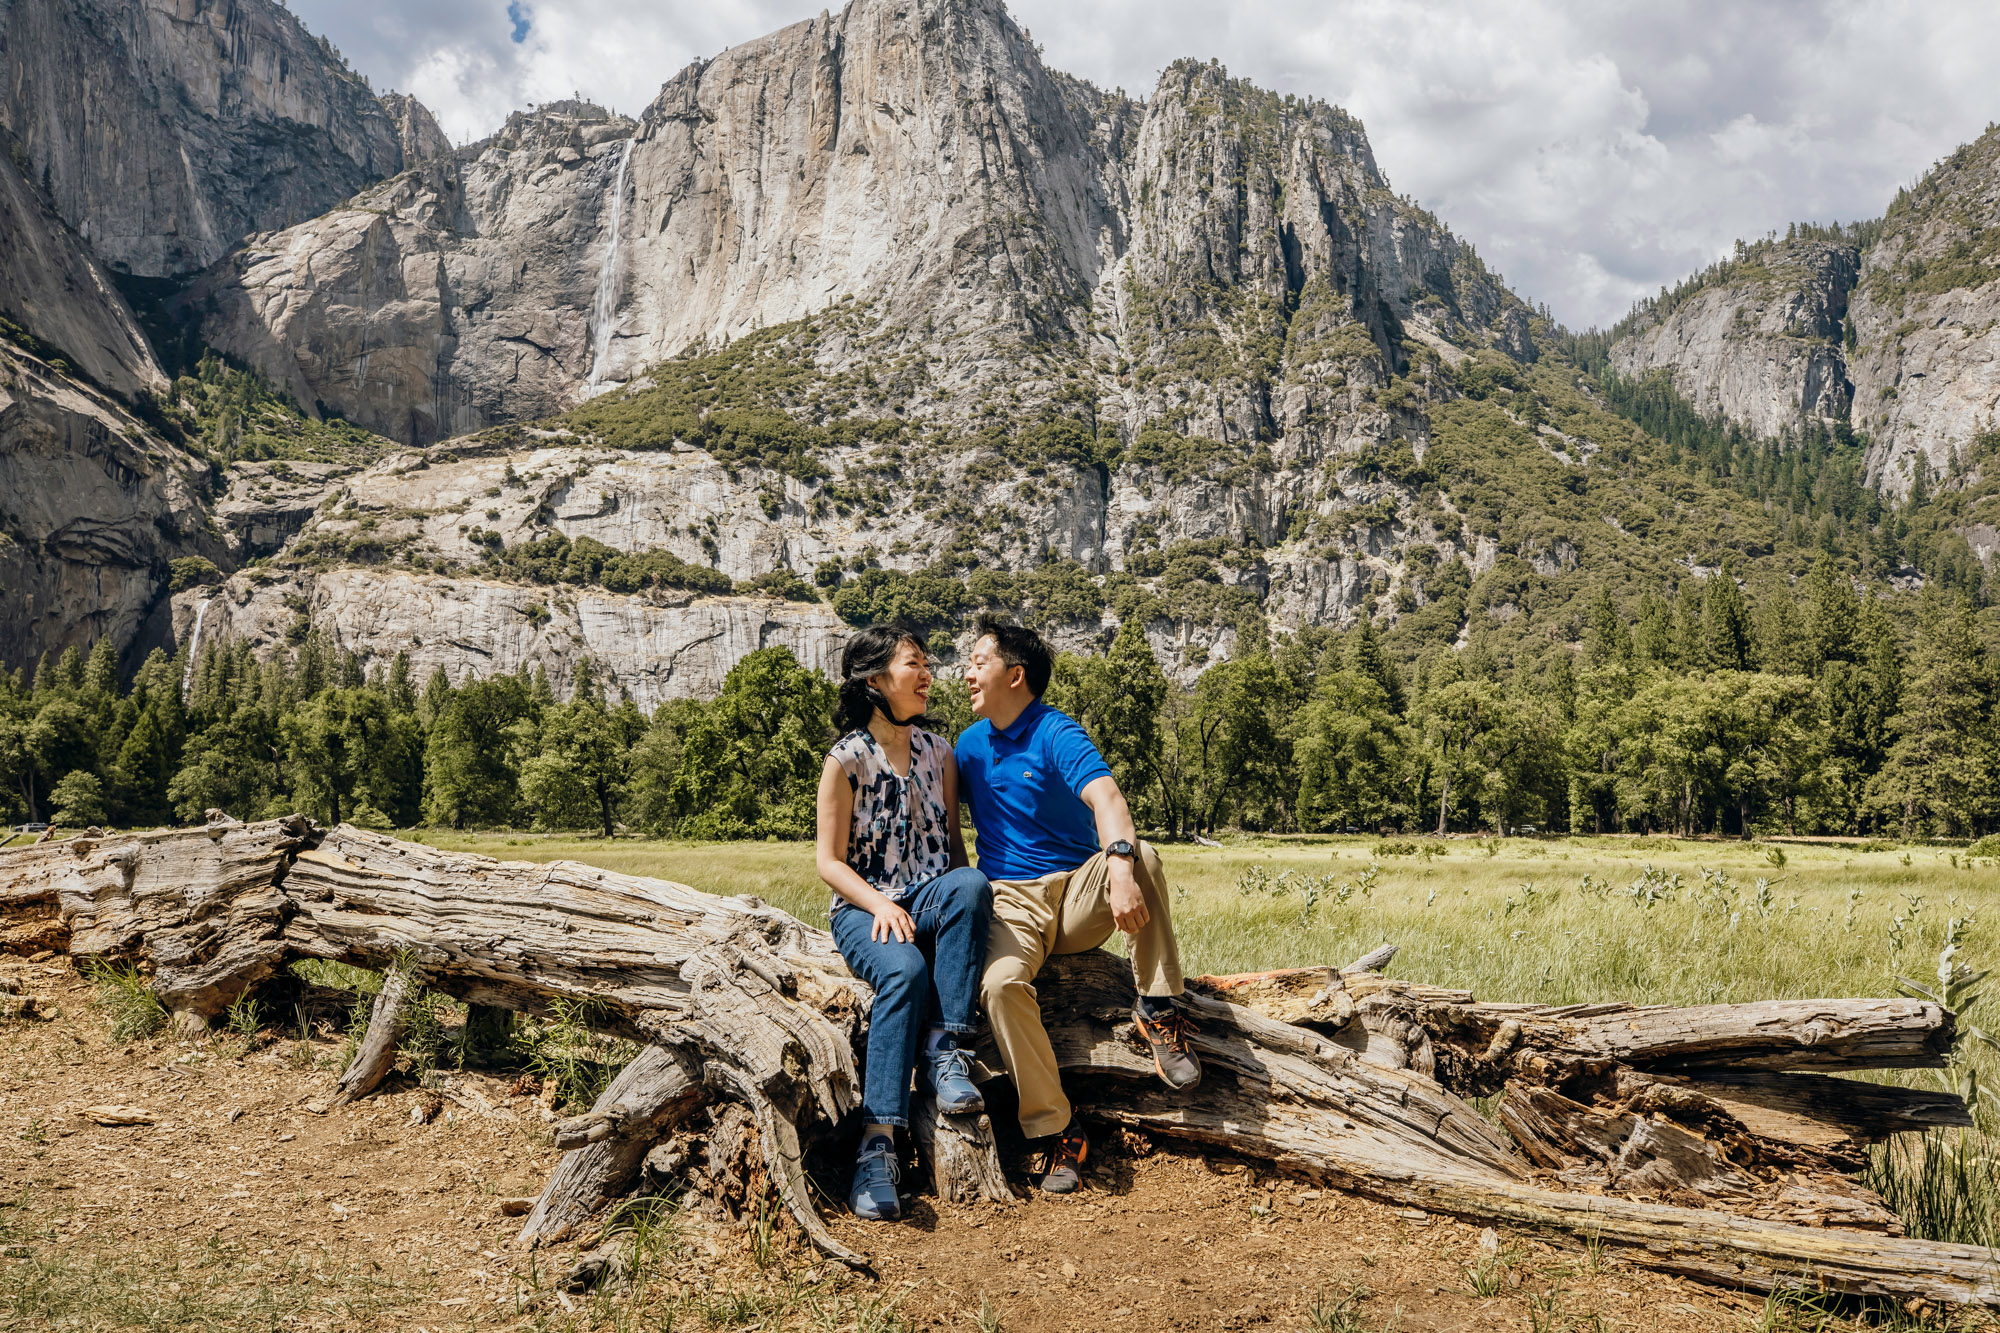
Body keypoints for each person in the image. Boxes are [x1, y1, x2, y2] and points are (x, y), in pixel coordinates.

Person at [956, 617, 1201, 1193]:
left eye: (978, 662)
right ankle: (1058, 1128)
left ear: (1015, 676)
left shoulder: (1057, 732)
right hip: (1009, 903)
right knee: (1000, 987)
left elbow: (1108, 798)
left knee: (1142, 854)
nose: (966, 673)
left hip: (1074, 894)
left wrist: (1117, 866)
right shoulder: (966, 747)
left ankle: (1159, 1008)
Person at [814, 623, 992, 1221]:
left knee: (970, 885)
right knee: (906, 970)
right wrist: (881, 905)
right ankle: (877, 1146)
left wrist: (967, 908)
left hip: (928, 896)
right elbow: (828, 862)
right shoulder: (844, 761)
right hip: (864, 907)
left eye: (926, 664)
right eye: (913, 664)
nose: (928, 675)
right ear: (874, 680)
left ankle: (945, 1052)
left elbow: (955, 852)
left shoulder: (939, 753)